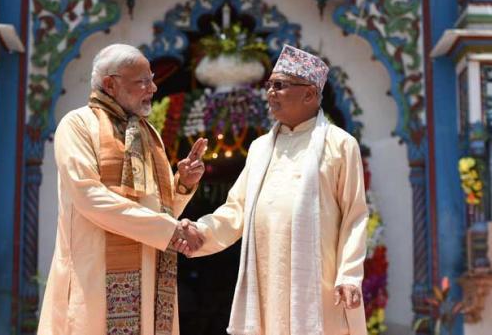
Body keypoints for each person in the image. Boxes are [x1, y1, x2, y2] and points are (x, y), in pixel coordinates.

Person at [186, 44, 369, 335]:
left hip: (319, 284)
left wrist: (348, 275)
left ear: (309, 94)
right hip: (267, 279)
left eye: (279, 85)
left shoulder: (340, 144)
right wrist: (201, 232)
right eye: (269, 85)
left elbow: (354, 216)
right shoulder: (260, 148)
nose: (270, 93)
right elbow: (237, 209)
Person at [38, 43, 207, 335]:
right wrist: (170, 229)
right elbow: (89, 198)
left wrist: (182, 184)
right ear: (110, 84)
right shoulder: (78, 125)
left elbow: (158, 209)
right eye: (143, 81)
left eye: (152, 79)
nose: (153, 88)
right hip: (95, 282)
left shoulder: (148, 134)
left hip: (151, 283)